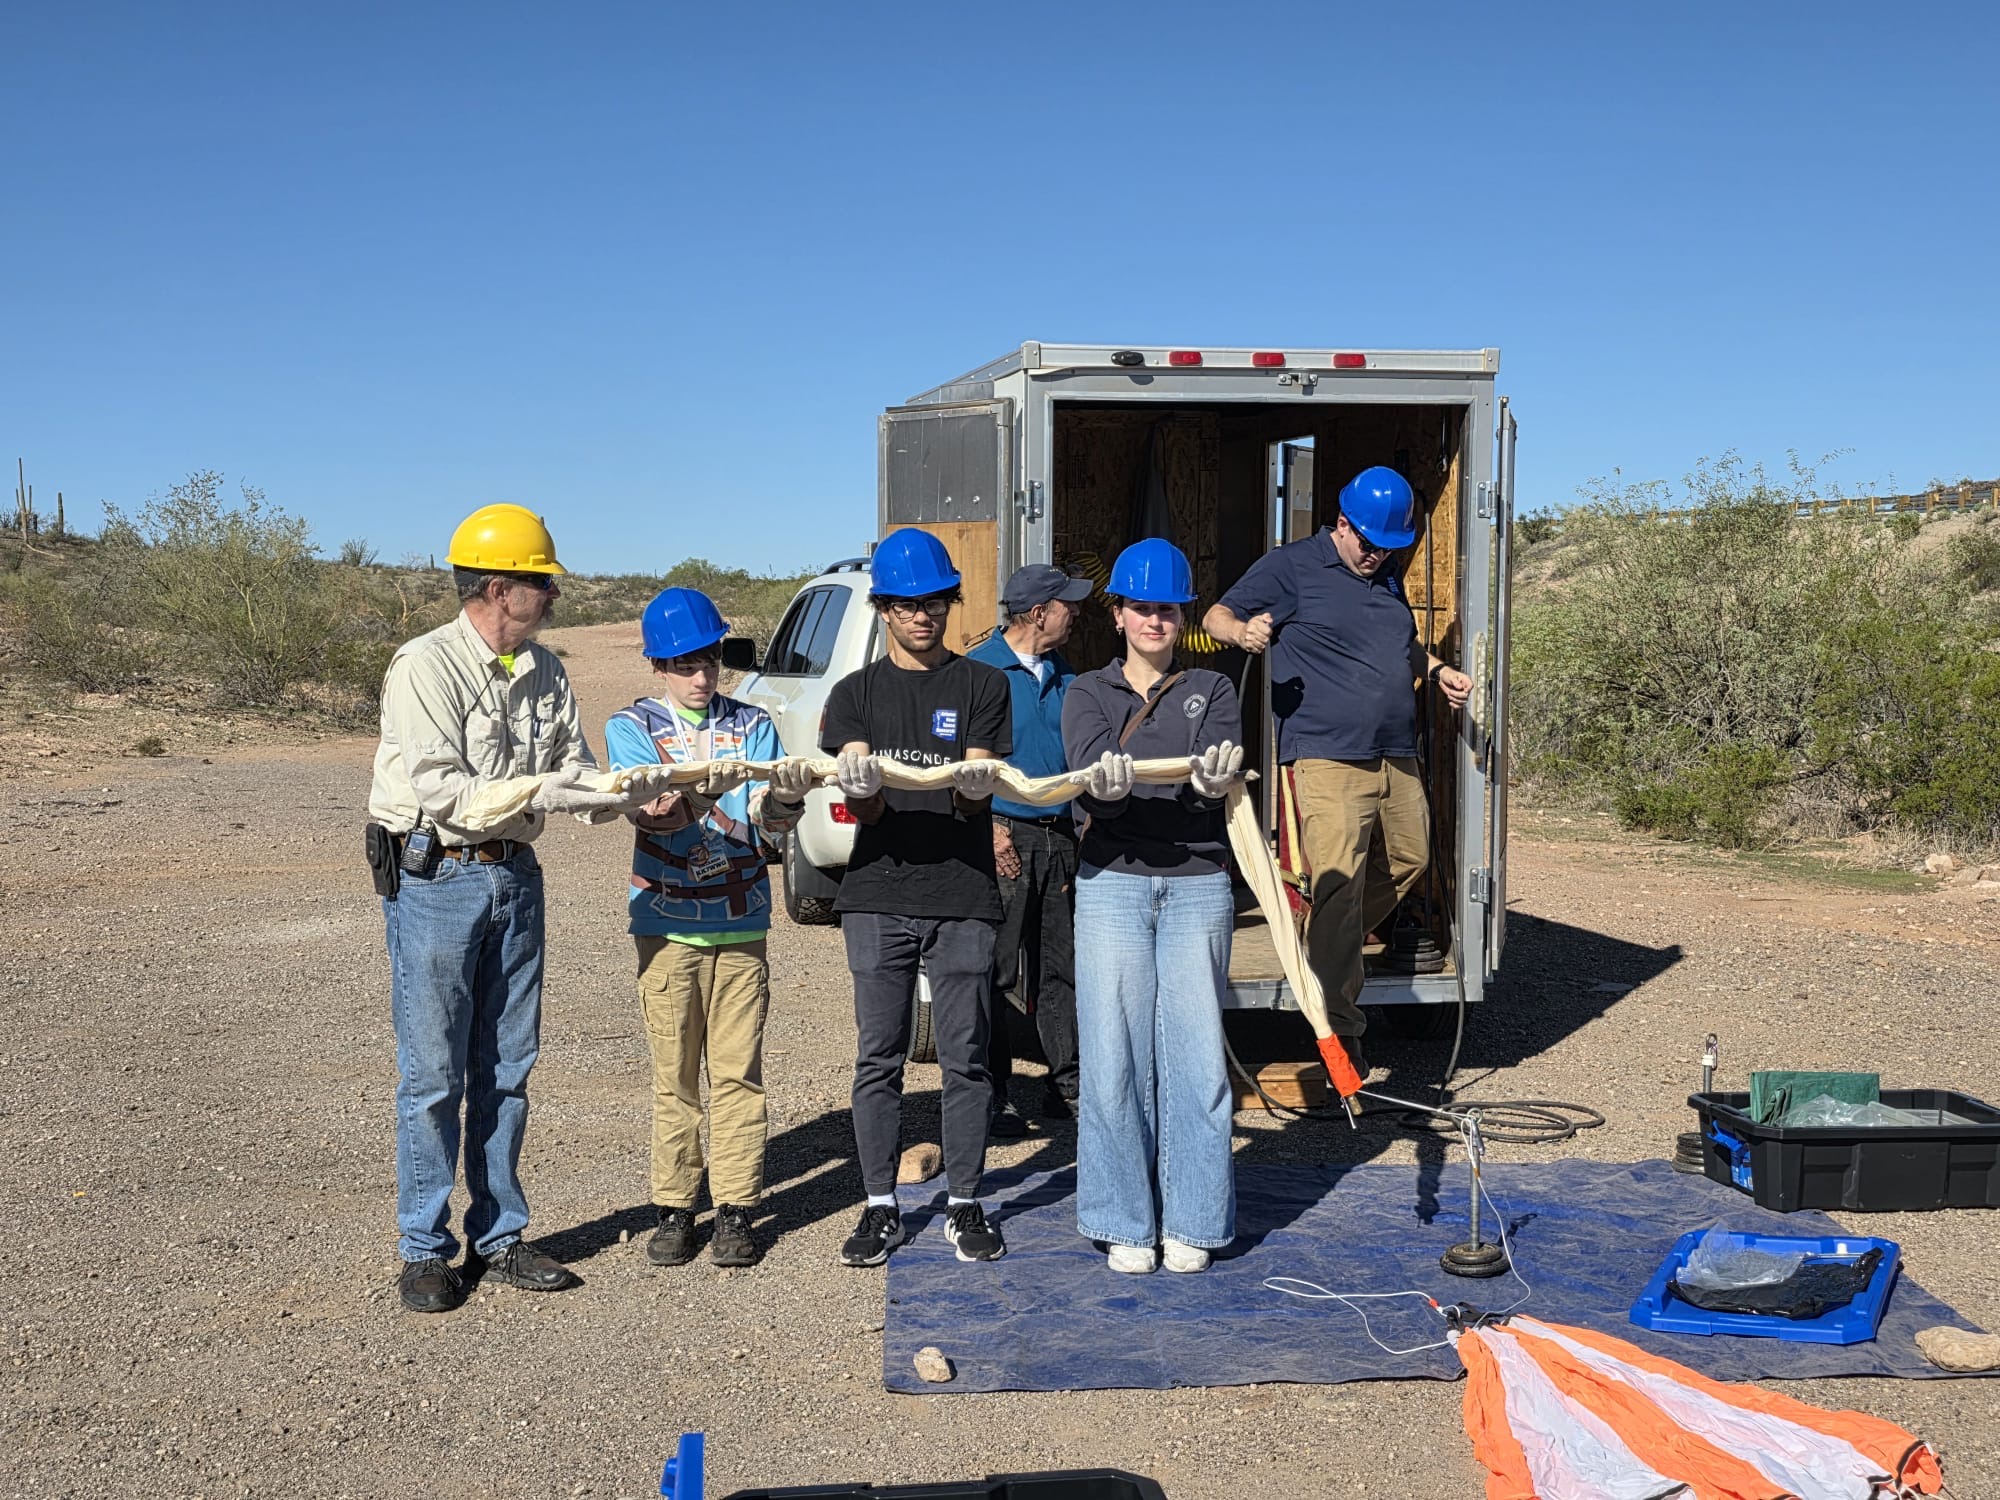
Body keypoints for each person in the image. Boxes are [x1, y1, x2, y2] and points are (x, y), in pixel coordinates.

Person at [366, 504, 671, 1314]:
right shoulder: (424, 667)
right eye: (543, 583)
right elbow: (442, 792)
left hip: (514, 877)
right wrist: (552, 789)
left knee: (506, 1069)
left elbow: (576, 771)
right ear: (500, 589)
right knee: (432, 1075)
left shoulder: (546, 670)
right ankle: (425, 1250)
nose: (554, 597)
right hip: (438, 880)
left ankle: (498, 1238)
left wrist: (636, 796)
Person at [1202, 467, 1472, 1083]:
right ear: (1343, 523)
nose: (1378, 555)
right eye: (1369, 543)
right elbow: (1219, 614)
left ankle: (1323, 929)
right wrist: (1243, 631)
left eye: (1389, 547)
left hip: (1394, 751)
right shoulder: (1292, 566)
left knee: (1411, 857)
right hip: (1325, 754)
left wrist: (1434, 671)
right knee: (1341, 883)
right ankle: (1341, 1037)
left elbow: (1397, 644)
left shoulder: (1385, 574)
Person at [603, 587, 814, 1269]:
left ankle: (737, 1207)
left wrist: (786, 792)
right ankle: (673, 1207)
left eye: (711, 659)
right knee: (675, 1078)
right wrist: (716, 790)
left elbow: (771, 822)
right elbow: (654, 810)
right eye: (686, 663)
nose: (701, 675)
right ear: (658, 665)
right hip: (664, 926)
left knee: (737, 1074)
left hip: (741, 920)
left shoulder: (754, 724)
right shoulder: (630, 726)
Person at [821, 527, 1013, 1267]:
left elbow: (974, 790)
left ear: (950, 603)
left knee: (966, 1057)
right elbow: (865, 810)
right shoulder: (854, 695)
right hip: (876, 893)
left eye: (934, 601)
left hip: (962, 892)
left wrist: (971, 797)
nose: (921, 615)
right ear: (882, 609)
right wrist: (865, 795)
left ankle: (965, 1202)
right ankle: (879, 1206)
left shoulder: (982, 686)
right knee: (879, 1056)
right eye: (905, 604)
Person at [1062, 539, 1247, 1275]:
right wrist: (1102, 792)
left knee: (1197, 1060)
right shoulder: (1085, 693)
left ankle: (1195, 1223)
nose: (1154, 620)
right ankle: (1122, 1221)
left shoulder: (1215, 688)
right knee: (1113, 1056)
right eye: (1140, 607)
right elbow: (1088, 774)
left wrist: (1207, 784)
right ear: (1116, 615)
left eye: (1166, 608)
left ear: (1183, 616)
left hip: (1200, 883)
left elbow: (1211, 780)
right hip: (1111, 881)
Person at [966, 563, 1095, 1132]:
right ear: (1039, 612)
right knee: (990, 970)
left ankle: (1068, 1088)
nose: (1077, 612)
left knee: (1060, 970)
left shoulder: (1066, 674)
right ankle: (988, 1097)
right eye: (1068, 603)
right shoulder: (977, 673)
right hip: (1002, 834)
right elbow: (962, 768)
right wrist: (988, 829)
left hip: (1059, 837)